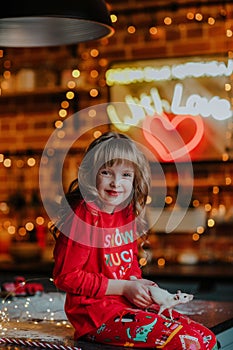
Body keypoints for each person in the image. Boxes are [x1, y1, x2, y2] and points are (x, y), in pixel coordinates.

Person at [51, 131, 218, 349]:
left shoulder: (126, 214)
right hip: (95, 317)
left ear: (135, 178)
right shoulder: (83, 216)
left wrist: (139, 287)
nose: (116, 183)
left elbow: (129, 268)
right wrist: (124, 288)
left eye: (126, 175)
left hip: (125, 307)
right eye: (106, 172)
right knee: (191, 342)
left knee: (207, 338)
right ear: (91, 174)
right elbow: (66, 277)